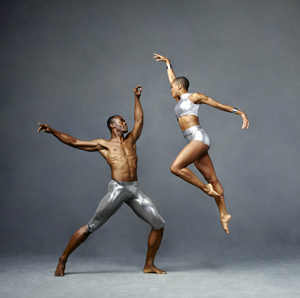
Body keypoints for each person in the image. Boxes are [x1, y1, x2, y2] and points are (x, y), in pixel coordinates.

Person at [38, 85, 166, 276]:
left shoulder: (131, 141)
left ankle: (149, 265)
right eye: (121, 121)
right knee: (91, 226)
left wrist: (137, 98)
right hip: (117, 189)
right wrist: (53, 131)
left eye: (124, 121)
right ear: (113, 126)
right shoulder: (103, 145)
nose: (125, 123)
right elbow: (74, 142)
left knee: (158, 223)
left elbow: (139, 120)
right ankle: (63, 259)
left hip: (134, 190)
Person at [153, 54, 249, 235]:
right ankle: (224, 214)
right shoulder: (179, 100)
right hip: (193, 141)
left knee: (176, 167)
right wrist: (167, 64)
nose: (170, 89)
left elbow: (217, 105)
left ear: (180, 87)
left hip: (199, 138)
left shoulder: (194, 97)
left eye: (172, 88)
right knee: (212, 179)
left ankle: (207, 191)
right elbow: (173, 80)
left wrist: (239, 112)